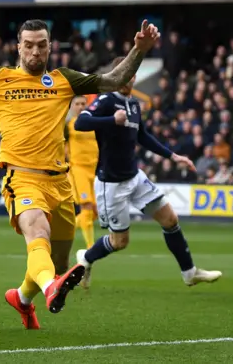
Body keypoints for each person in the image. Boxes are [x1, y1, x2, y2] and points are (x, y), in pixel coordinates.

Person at [0, 19, 161, 329]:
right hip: (21, 178)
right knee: (38, 237)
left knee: (58, 265)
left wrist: (139, 49)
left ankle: (23, 299)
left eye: (41, 44)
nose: (35, 51)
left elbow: (113, 79)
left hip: (60, 183)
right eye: (29, 45)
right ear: (19, 47)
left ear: (50, 47)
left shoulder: (64, 79)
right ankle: (50, 286)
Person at [74, 57, 222, 288]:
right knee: (120, 241)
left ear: (134, 76)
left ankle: (189, 272)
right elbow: (80, 123)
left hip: (135, 177)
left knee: (170, 219)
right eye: (121, 73)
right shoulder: (106, 100)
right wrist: (111, 120)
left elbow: (142, 135)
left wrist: (173, 156)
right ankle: (85, 258)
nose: (126, 78)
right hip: (111, 184)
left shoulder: (134, 104)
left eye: (130, 73)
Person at [65, 96, 99, 253]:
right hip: (78, 169)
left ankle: (63, 230)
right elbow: (62, 147)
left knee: (96, 212)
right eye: (77, 104)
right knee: (86, 207)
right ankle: (90, 247)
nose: (80, 106)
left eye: (83, 104)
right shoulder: (68, 126)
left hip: (95, 170)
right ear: (72, 106)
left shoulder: (95, 124)